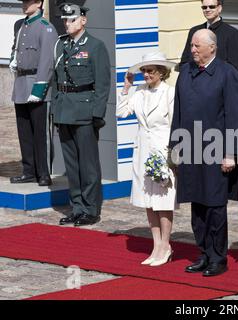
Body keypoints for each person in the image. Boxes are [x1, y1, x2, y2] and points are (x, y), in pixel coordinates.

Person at [169, 29, 238, 277]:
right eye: (191, 45)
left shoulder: (227, 73)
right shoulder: (186, 73)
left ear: (212, 47)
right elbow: (178, 114)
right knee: (197, 206)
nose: (192, 50)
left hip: (216, 151)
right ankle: (203, 253)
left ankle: (218, 258)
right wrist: (175, 148)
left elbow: (234, 116)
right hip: (190, 149)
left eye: (197, 46)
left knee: (214, 206)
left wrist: (231, 153)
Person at [117, 52, 178, 266]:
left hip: (162, 149)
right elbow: (121, 112)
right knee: (148, 201)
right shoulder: (140, 91)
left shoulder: (170, 93)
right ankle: (156, 245)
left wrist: (173, 156)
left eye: (150, 70)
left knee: (163, 199)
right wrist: (126, 87)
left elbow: (175, 125)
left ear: (161, 72)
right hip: (142, 149)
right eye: (143, 70)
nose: (146, 74)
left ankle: (166, 245)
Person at [52, 3, 111, 227]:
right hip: (64, 111)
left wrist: (97, 114)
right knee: (72, 165)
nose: (67, 24)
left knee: (88, 165)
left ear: (83, 20)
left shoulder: (95, 46)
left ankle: (91, 209)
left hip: (85, 111)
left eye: (72, 20)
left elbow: (102, 84)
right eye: (65, 20)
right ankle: (76, 207)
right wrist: (55, 110)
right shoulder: (61, 45)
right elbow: (56, 81)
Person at [9, 0, 57, 186]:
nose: (24, 5)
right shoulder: (21, 25)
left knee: (40, 133)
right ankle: (28, 170)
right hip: (21, 83)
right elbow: (17, 49)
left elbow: (47, 61)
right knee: (24, 132)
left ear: (38, 3)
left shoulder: (46, 27)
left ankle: (43, 173)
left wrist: (39, 89)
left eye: (28, 1)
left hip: (38, 84)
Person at [179, 0, 238, 71]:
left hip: (219, 80)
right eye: (204, 7)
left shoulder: (231, 33)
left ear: (219, 8)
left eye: (211, 7)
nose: (207, 10)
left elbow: (233, 66)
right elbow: (185, 61)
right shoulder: (194, 31)